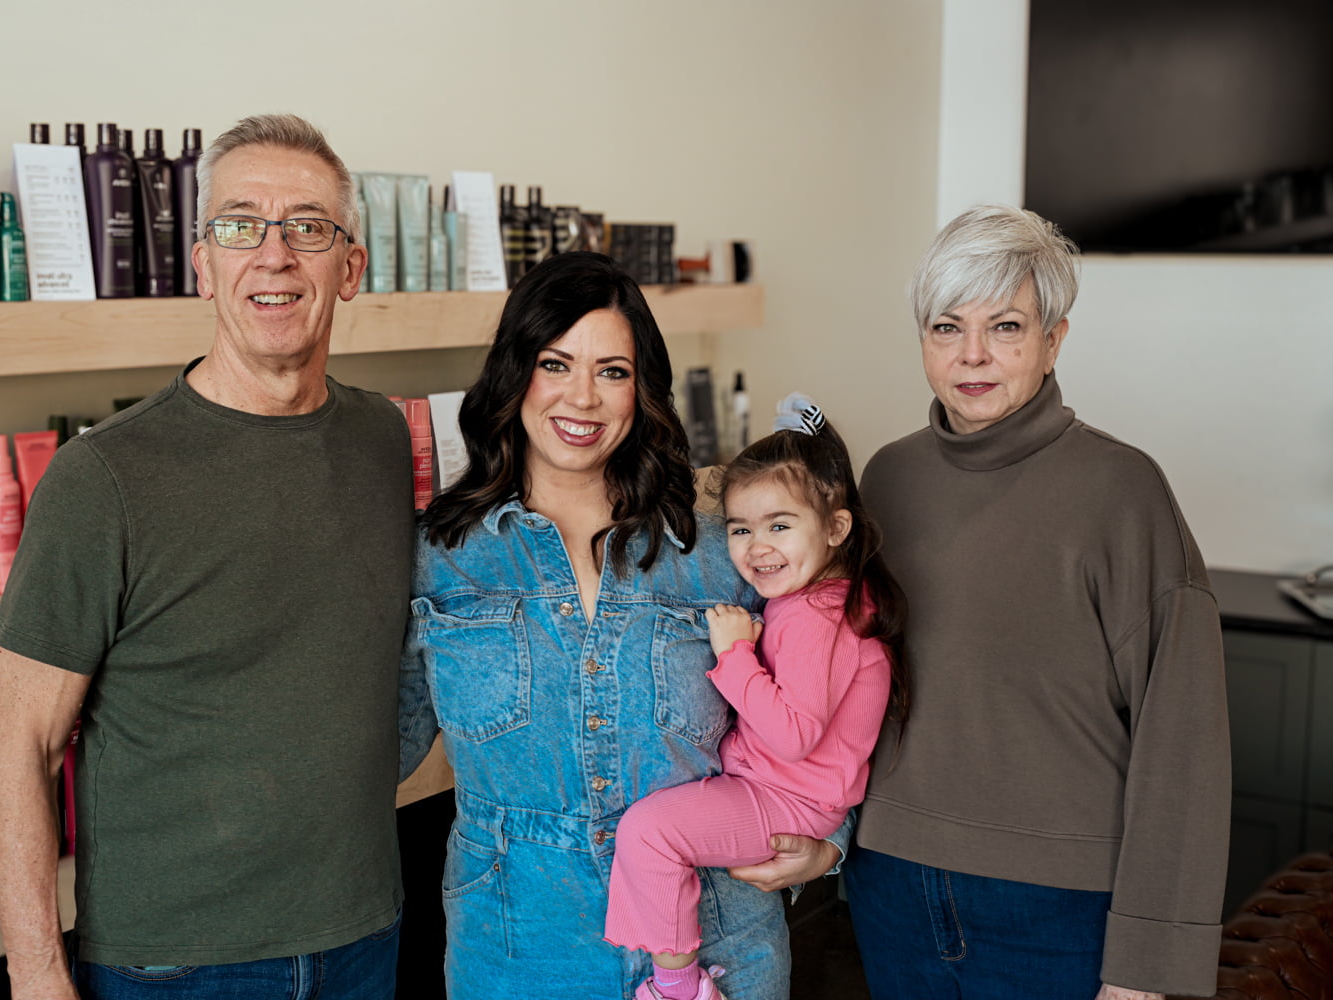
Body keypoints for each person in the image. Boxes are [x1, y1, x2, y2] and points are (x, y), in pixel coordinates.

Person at [0, 113, 414, 1000]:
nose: (274, 254)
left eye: (308, 228)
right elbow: (18, 747)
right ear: (204, 265)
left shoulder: (382, 437)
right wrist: (36, 975)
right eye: (241, 225)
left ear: (351, 268)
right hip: (172, 961)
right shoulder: (103, 476)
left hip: (363, 932)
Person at [399, 251, 847, 1000]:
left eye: (612, 371)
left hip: (717, 950)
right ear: (514, 373)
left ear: (642, 390)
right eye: (555, 363)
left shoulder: (722, 552)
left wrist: (832, 841)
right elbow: (376, 747)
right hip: (518, 953)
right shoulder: (441, 558)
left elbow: (834, 702)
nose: (583, 396)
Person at [845, 204, 1231, 999]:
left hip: (1059, 907)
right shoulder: (885, 480)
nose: (973, 354)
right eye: (947, 327)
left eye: (1006, 327)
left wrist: (1147, 965)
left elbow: (1183, 740)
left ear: (1054, 340)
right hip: (891, 883)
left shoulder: (1123, 491)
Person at [602, 395, 906, 1000]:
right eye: (740, 528)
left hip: (787, 800)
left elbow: (793, 734)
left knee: (649, 833)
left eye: (779, 526)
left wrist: (735, 654)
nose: (757, 546)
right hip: (788, 794)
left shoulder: (815, 615)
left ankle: (679, 988)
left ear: (836, 528)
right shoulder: (824, 599)